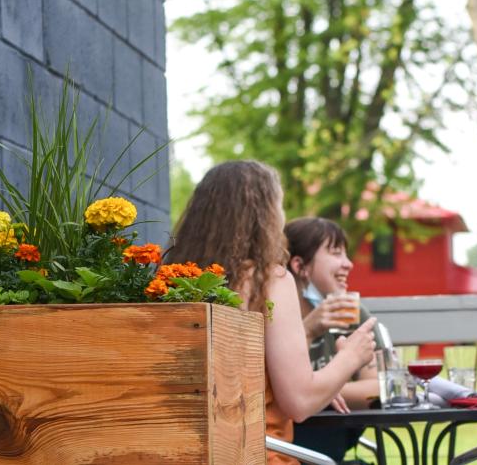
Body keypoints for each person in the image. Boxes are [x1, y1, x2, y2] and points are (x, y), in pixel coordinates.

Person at [165, 161, 377, 465]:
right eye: (278, 207)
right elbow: (300, 402)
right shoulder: (269, 280)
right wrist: (351, 357)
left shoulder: (173, 282)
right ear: (262, 216)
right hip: (256, 455)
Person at [285, 216, 384, 463]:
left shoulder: (352, 313)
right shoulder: (273, 316)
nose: (348, 264)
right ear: (300, 266)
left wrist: (322, 389)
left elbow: (377, 388)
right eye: (335, 253)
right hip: (287, 444)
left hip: (334, 440)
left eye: (346, 254)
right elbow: (279, 399)